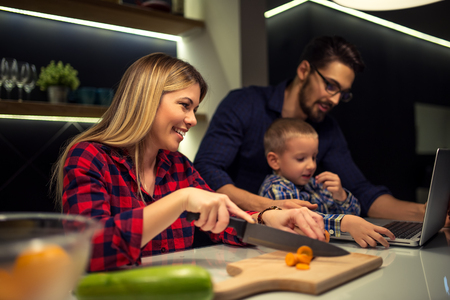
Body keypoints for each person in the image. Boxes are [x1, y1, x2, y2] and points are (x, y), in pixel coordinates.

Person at [52, 53, 326, 272]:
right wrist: (181, 200)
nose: (193, 119)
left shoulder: (179, 165)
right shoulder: (89, 157)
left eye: (194, 109)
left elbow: (225, 224)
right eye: (185, 105)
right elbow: (88, 251)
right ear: (147, 100)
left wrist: (268, 218)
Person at [194, 35, 443, 224]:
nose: (334, 100)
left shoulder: (328, 129)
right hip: (233, 232)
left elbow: (362, 191)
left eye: (343, 93)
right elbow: (207, 168)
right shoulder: (245, 103)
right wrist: (271, 207)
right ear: (304, 71)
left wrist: (425, 212)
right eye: (330, 86)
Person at [259, 118, 395, 248]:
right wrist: (344, 223)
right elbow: (301, 223)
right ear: (274, 161)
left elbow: (355, 216)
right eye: (301, 159)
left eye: (314, 157)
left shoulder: (314, 184)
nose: (312, 165)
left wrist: (341, 196)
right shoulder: (276, 188)